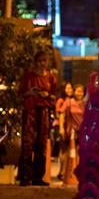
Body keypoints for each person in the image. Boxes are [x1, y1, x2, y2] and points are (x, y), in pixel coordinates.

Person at [18, 50, 57, 186]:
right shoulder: (28, 76)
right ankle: (24, 176)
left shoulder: (51, 77)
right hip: (30, 111)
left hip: (44, 112)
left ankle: (38, 177)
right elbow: (20, 94)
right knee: (27, 143)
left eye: (44, 61)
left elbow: (54, 97)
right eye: (40, 61)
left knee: (41, 144)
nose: (42, 63)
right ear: (35, 62)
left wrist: (47, 95)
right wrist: (30, 92)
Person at [59, 84, 85, 184]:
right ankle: (65, 174)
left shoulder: (85, 104)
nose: (79, 93)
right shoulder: (69, 102)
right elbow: (62, 114)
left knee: (80, 154)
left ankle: (77, 174)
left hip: (82, 131)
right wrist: (61, 128)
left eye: (81, 91)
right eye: (77, 91)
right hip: (71, 131)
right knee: (68, 153)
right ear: (74, 92)